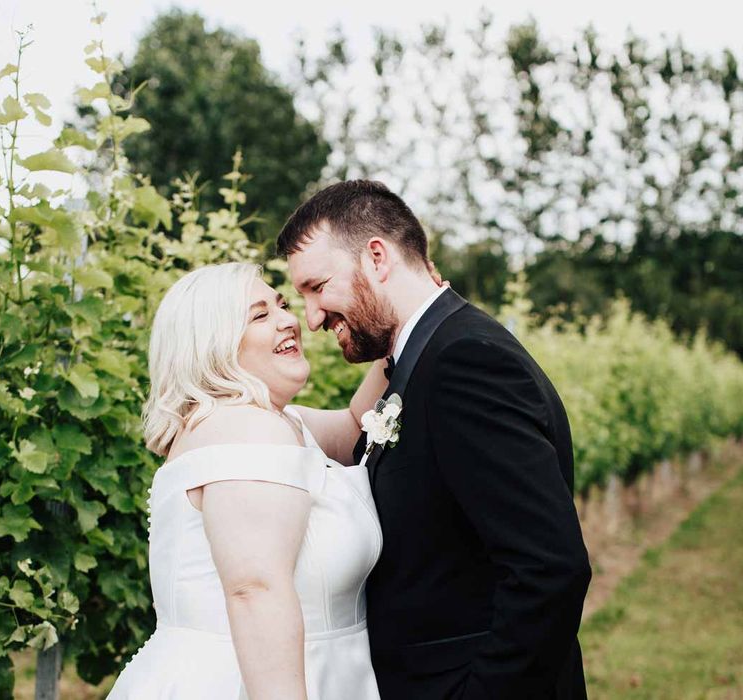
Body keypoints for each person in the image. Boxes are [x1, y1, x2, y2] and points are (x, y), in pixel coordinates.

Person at [278, 180, 592, 699]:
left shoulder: (464, 363)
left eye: (317, 287)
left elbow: (549, 570)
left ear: (376, 257)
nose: (311, 318)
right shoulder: (419, 359)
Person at [108, 262, 390, 699]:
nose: (289, 320)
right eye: (260, 315)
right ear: (211, 346)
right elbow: (255, 590)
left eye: (280, 304)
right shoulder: (246, 429)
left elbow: (358, 425)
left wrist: (405, 324)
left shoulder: (273, 422)